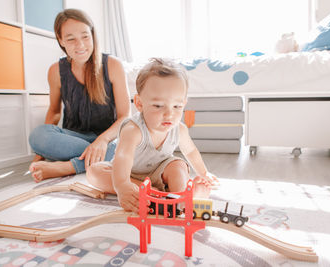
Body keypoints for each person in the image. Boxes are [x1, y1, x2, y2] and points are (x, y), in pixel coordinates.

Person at [86, 58, 218, 213]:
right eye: (158, 106)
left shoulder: (179, 129)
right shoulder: (133, 130)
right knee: (94, 171)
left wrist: (204, 173)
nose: (169, 114)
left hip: (161, 172)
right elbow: (123, 158)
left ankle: (182, 197)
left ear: (184, 103)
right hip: (128, 174)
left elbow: (190, 152)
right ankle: (145, 191)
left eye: (177, 106)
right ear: (140, 103)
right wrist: (122, 186)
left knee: (177, 165)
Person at [28, 9, 131, 183]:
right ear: (61, 41)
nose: (80, 45)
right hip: (74, 138)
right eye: (71, 39)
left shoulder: (113, 65)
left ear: (92, 35)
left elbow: (124, 116)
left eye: (85, 36)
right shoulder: (55, 71)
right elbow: (54, 113)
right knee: (37, 135)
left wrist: (102, 141)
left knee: (127, 143)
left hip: (108, 137)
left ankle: (68, 166)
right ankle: (99, 158)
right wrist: (40, 153)